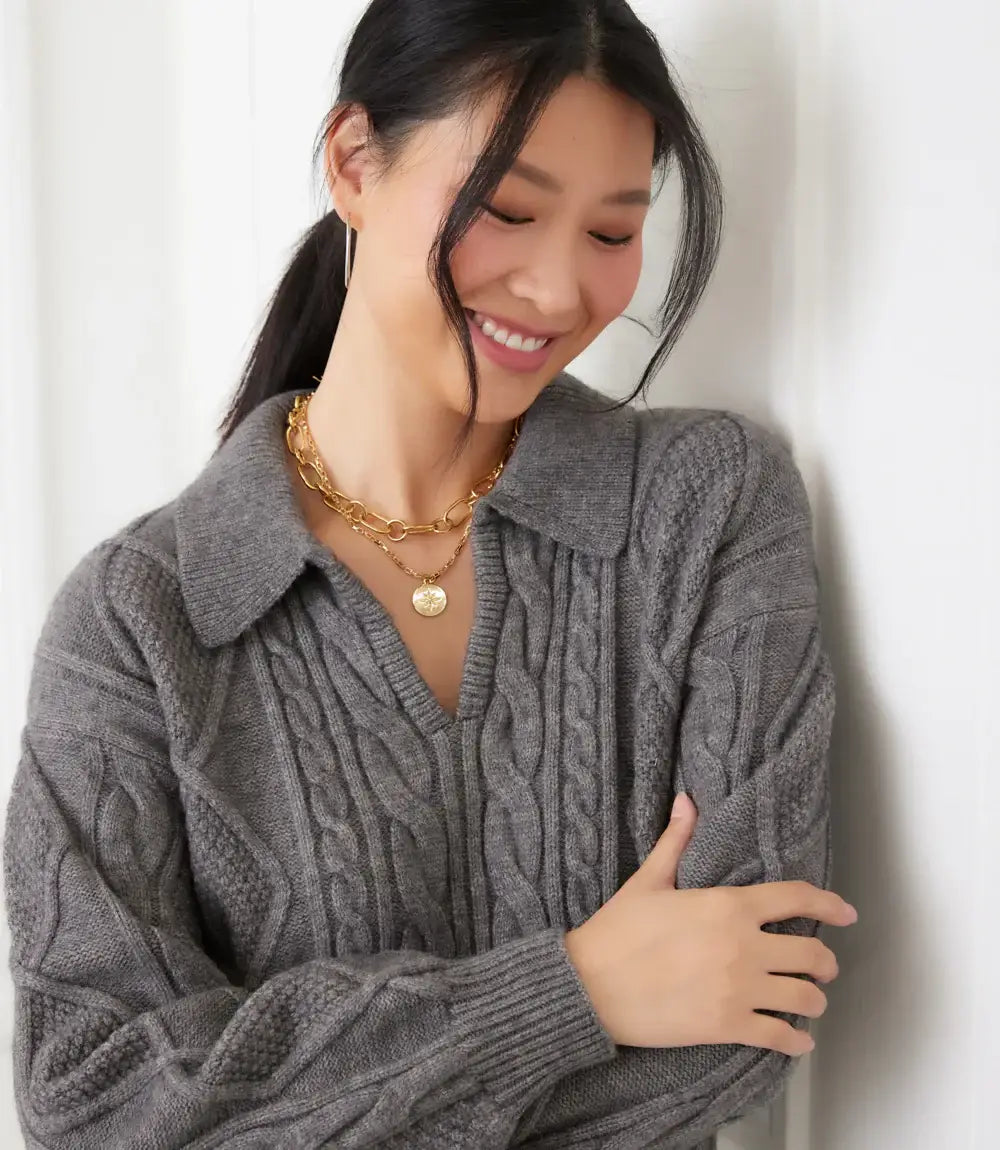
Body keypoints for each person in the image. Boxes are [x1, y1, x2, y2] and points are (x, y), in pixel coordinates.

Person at [2, 1, 857, 1147]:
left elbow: (747, 1012)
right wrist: (572, 993)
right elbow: (97, 1104)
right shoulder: (138, 624)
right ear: (353, 161)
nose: (558, 291)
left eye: (612, 232)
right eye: (509, 210)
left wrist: (310, 1102)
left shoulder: (702, 508)